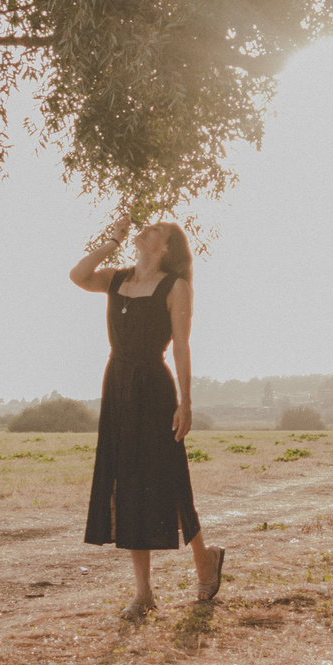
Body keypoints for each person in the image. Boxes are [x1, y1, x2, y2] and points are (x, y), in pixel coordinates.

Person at [70, 216, 225, 618]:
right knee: (128, 479)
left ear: (166, 248)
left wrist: (185, 403)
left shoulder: (177, 287)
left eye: (157, 230)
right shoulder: (116, 278)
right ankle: (144, 593)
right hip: (118, 384)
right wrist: (112, 240)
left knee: (170, 476)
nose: (147, 229)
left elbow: (182, 348)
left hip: (155, 389)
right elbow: (78, 275)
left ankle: (205, 560)